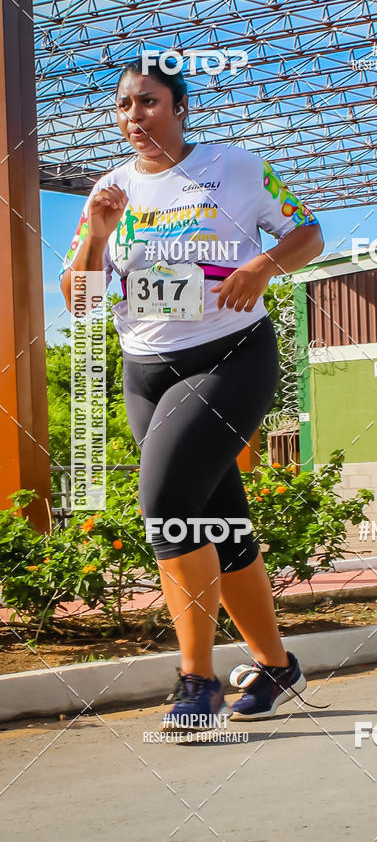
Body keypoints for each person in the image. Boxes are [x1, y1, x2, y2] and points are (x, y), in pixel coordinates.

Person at [59, 56, 324, 725]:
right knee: (219, 521)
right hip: (146, 372)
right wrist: (98, 235)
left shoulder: (237, 167)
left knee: (168, 506)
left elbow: (308, 234)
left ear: (180, 108)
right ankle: (276, 665)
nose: (134, 116)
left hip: (229, 357)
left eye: (148, 101)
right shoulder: (110, 189)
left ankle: (197, 681)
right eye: (124, 106)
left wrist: (262, 265)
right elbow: (81, 300)